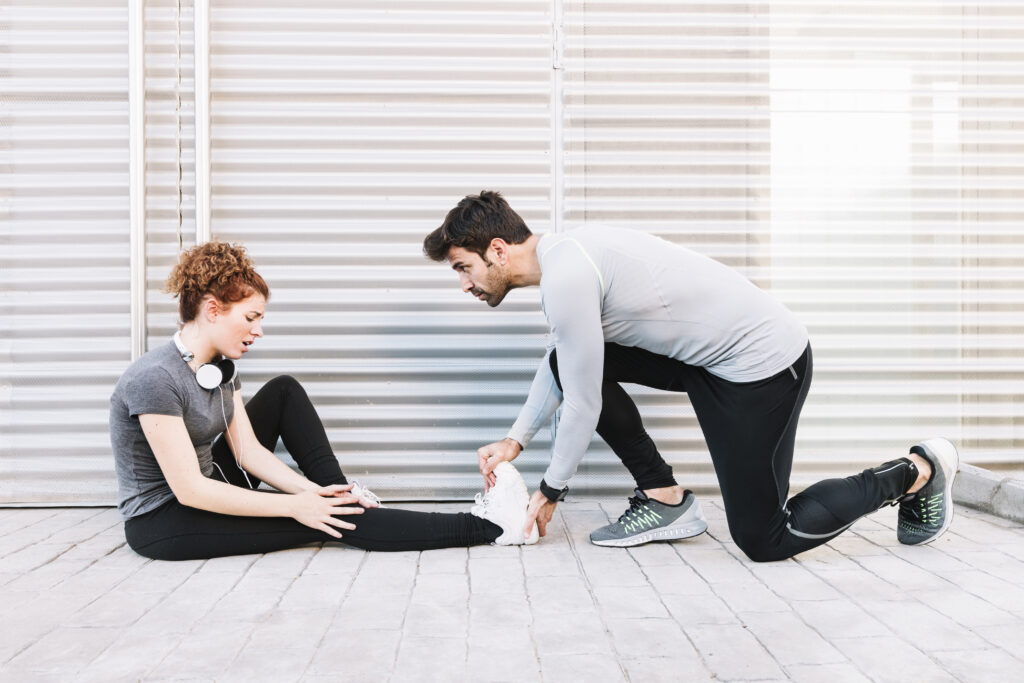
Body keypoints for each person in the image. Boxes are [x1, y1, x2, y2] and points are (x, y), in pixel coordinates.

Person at [422, 190, 959, 562]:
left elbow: (583, 403)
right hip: (709, 361)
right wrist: (516, 440)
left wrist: (549, 490)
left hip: (763, 367)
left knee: (764, 538)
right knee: (570, 360)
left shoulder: (568, 274)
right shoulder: (565, 257)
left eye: (464, 267)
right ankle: (664, 498)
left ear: (497, 250)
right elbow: (564, 362)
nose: (464, 284)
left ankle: (917, 472)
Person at [109, 240, 538, 561]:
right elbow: (190, 490)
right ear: (213, 309)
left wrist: (318, 493)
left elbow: (248, 453)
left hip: (215, 485)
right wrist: (296, 506)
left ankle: (342, 494)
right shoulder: (155, 379)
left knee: (285, 392)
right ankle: (490, 527)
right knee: (334, 523)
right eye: (251, 317)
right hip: (168, 518)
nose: (259, 330)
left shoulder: (221, 368)